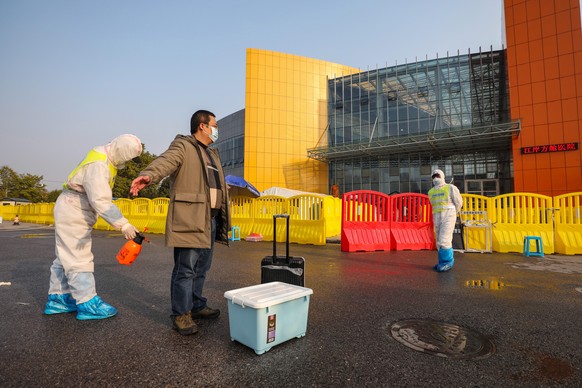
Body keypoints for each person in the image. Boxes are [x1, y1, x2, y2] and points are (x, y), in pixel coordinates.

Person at [130, 110, 230, 336]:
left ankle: (196, 305)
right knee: (185, 269)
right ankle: (181, 314)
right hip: (191, 219)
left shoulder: (212, 154)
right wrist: (149, 174)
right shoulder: (184, 146)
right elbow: (166, 161)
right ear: (203, 126)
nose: (217, 130)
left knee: (202, 268)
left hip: (210, 220)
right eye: (214, 125)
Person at [44, 134, 142, 320]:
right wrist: (124, 225)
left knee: (65, 256)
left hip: (72, 205)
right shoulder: (99, 165)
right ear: (122, 152)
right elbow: (101, 201)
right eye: (129, 157)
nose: (128, 162)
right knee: (79, 257)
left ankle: (59, 298)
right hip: (75, 208)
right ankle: (87, 302)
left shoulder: (102, 157)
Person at [428, 169, 462, 272]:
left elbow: (458, 202)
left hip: (448, 215)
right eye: (433, 176)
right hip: (437, 217)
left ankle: (448, 262)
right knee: (439, 241)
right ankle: (442, 262)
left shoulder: (450, 188)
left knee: (444, 240)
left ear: (442, 176)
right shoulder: (431, 191)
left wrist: (454, 213)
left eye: (437, 175)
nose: (435, 178)